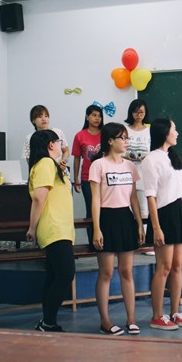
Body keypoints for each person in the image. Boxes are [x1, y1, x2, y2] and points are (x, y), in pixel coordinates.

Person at [90, 122, 145, 335]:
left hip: (125, 218)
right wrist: (97, 228)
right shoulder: (98, 165)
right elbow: (95, 199)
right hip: (106, 218)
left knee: (126, 271)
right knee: (106, 272)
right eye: (122, 138)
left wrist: (139, 223)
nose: (126, 142)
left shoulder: (130, 166)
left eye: (127, 138)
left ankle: (131, 319)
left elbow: (134, 198)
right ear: (110, 141)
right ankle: (105, 321)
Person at [143, 117, 182, 331]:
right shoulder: (151, 159)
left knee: (177, 266)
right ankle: (157, 316)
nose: (177, 133)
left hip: (179, 213)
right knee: (163, 267)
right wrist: (156, 227)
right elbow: (150, 196)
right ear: (165, 132)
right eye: (174, 129)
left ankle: (174, 312)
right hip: (163, 214)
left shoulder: (173, 156)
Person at [26, 129, 76, 332]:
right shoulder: (46, 163)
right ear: (50, 145)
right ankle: (48, 320)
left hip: (60, 227)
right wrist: (32, 227)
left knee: (54, 275)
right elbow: (39, 198)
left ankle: (48, 321)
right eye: (58, 142)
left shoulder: (50, 164)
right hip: (54, 227)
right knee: (65, 273)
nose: (61, 145)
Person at [72, 104, 103, 246]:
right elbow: (77, 158)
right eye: (94, 115)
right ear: (87, 117)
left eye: (99, 116)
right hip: (87, 178)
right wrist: (76, 178)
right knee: (91, 210)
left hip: (105, 178)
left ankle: (106, 240)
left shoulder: (105, 134)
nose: (97, 118)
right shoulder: (80, 135)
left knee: (106, 209)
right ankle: (93, 242)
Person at [123, 99, 152, 248]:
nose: (138, 115)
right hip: (125, 171)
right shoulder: (125, 130)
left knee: (144, 208)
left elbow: (155, 151)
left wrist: (146, 156)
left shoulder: (150, 130)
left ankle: (145, 241)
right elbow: (119, 150)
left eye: (141, 112)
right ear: (131, 112)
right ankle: (132, 239)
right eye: (135, 112)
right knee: (126, 207)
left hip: (143, 173)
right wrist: (128, 156)